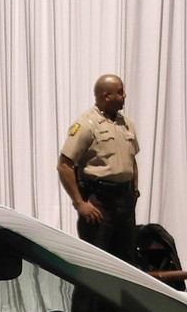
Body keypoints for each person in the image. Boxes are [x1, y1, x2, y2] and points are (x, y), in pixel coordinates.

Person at [58, 73, 139, 258]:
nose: (124, 96)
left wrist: (134, 191)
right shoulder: (86, 124)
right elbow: (64, 165)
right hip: (100, 203)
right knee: (98, 261)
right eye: (120, 92)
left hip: (124, 202)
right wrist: (79, 203)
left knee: (126, 262)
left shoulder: (125, 123)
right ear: (106, 96)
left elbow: (132, 159)